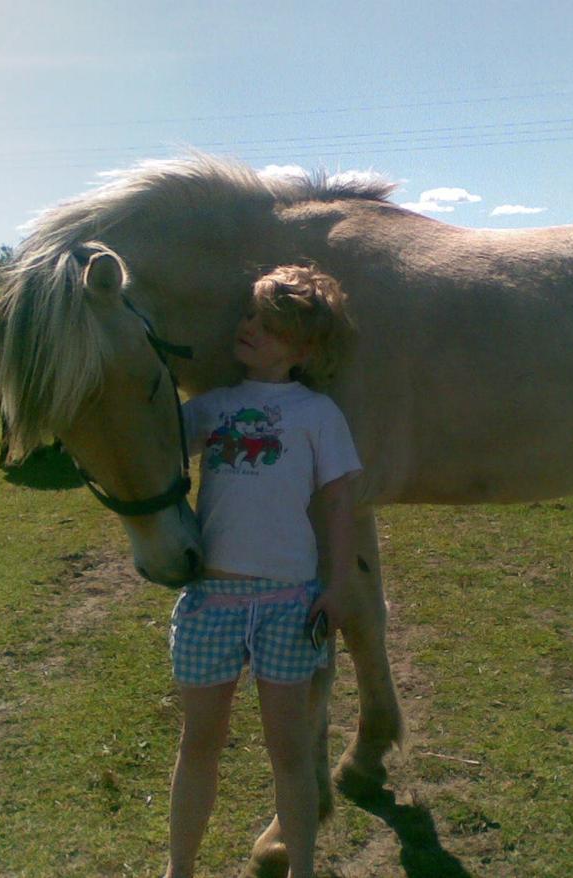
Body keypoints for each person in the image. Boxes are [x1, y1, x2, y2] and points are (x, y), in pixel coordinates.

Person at [166, 265, 361, 878]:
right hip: (211, 601)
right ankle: (179, 869)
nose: (248, 327)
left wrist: (340, 585)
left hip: (289, 603)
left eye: (269, 326)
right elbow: (152, 445)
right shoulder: (212, 408)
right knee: (199, 743)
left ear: (303, 350)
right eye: (249, 315)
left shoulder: (318, 414)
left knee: (291, 752)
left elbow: (340, 504)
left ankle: (302, 868)